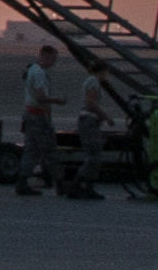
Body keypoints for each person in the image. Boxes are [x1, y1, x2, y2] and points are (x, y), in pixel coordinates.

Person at [16, 45, 60, 196]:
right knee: (50, 150)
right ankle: (61, 183)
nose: (54, 63)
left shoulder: (32, 70)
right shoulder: (40, 73)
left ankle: (22, 182)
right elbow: (40, 96)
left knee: (31, 151)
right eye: (53, 59)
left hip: (30, 115)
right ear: (46, 56)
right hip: (39, 116)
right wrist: (57, 100)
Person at [65, 66, 112, 200]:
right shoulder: (93, 81)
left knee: (95, 156)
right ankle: (76, 185)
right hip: (89, 122)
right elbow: (91, 103)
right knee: (93, 156)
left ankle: (88, 188)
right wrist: (106, 116)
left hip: (90, 122)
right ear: (102, 71)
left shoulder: (91, 81)